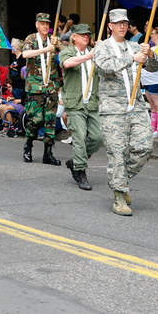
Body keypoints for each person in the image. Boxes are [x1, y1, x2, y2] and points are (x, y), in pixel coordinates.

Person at [93, 9, 158, 216]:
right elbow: (104, 67)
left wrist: (149, 54)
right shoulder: (102, 47)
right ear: (110, 26)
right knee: (117, 152)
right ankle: (119, 196)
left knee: (144, 147)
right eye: (118, 23)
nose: (122, 26)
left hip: (137, 106)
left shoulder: (135, 45)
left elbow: (154, 67)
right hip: (113, 109)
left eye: (125, 22)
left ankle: (119, 179)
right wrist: (132, 58)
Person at [59, 24, 102, 190]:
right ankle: (80, 171)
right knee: (80, 136)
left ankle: (76, 161)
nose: (86, 37)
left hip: (91, 101)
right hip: (75, 102)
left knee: (97, 138)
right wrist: (89, 56)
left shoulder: (95, 51)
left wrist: (101, 50)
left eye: (88, 35)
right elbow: (67, 64)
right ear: (74, 37)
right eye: (82, 34)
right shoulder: (68, 51)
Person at [20, 13, 64, 165]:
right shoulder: (31, 39)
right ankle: (28, 144)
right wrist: (46, 49)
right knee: (36, 119)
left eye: (47, 24)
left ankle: (48, 153)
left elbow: (66, 51)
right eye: (42, 23)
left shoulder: (53, 39)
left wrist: (57, 44)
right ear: (36, 25)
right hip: (35, 87)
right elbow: (25, 54)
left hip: (51, 86)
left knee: (50, 120)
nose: (45, 26)